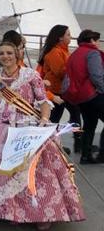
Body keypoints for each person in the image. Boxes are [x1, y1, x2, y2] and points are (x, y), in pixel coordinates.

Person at [0, 41, 84, 229]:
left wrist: (44, 120)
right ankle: (9, 210)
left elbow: (43, 101)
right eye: (2, 53)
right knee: (3, 171)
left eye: (9, 53)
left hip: (25, 126)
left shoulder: (30, 76)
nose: (5, 56)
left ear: (17, 55)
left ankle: (40, 213)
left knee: (33, 169)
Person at [38, 25, 83, 153]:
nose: (71, 37)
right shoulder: (54, 52)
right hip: (55, 91)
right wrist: (75, 67)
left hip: (64, 90)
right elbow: (60, 71)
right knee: (54, 119)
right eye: (68, 34)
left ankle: (77, 142)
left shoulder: (63, 50)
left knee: (74, 113)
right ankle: (50, 145)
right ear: (60, 37)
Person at [63, 29, 104, 164]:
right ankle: (101, 155)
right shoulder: (92, 53)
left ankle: (85, 156)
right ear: (92, 41)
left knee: (89, 124)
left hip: (79, 97)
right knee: (90, 124)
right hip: (91, 95)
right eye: (97, 40)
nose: (98, 43)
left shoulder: (75, 53)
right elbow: (96, 76)